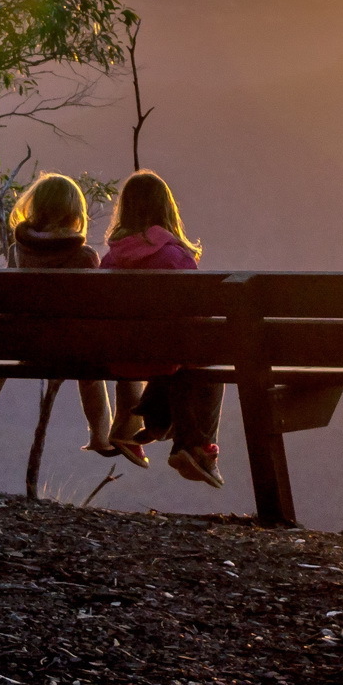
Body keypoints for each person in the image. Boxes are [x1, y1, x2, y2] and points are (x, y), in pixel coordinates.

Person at [100, 169, 225, 488]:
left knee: (175, 357)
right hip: (166, 359)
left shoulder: (110, 260)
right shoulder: (175, 258)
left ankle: (152, 426)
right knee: (201, 363)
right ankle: (195, 445)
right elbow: (196, 316)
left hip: (121, 358)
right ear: (168, 210)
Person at [6, 173, 140, 465]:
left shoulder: (17, 252)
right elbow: (96, 312)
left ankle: (102, 435)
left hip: (30, 351)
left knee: (85, 353)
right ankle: (104, 434)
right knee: (96, 360)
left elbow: (11, 305)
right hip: (76, 350)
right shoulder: (85, 257)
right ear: (74, 214)